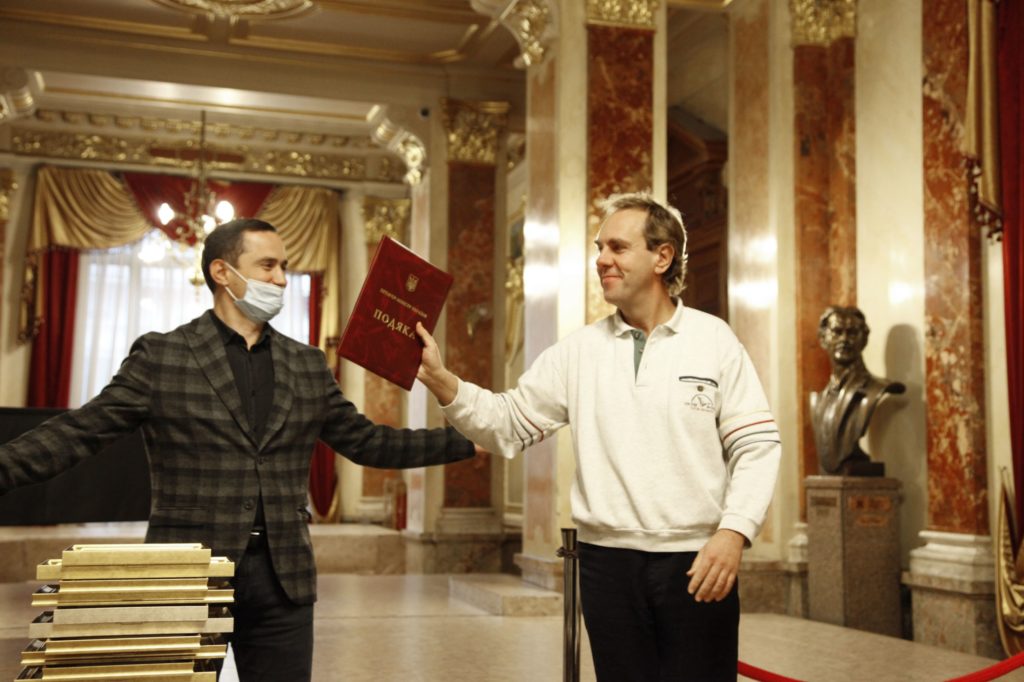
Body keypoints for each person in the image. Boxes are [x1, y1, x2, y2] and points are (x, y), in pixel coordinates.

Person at [0, 218, 475, 681]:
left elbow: (369, 442)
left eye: (284, 267)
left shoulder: (307, 364)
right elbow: (79, 431)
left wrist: (473, 436)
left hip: (283, 579)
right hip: (185, 572)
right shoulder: (162, 356)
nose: (282, 279)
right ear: (222, 272)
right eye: (268, 266)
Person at [416, 192, 781, 681]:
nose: (602, 259)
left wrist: (734, 532)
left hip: (698, 560)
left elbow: (756, 445)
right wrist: (442, 380)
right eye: (599, 247)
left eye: (618, 247)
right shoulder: (578, 352)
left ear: (662, 257)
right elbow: (508, 423)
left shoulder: (714, 340)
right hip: (607, 565)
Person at [809, 305, 905, 475]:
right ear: (823, 339)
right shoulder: (817, 401)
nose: (844, 339)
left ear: (864, 339)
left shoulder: (875, 389)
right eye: (837, 332)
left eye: (852, 333)